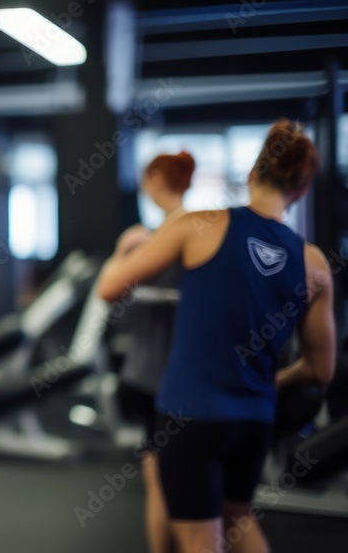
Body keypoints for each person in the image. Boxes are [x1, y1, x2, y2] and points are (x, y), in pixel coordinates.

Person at [97, 120, 336, 553]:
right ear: (301, 190)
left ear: (252, 173)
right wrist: (273, 381)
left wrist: (122, 251)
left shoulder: (198, 225)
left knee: (199, 541)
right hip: (254, 421)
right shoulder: (314, 261)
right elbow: (322, 368)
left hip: (190, 418)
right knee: (239, 522)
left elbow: (109, 289)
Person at [114, 151, 194, 553]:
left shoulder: (144, 240)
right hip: (185, 380)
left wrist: (120, 253)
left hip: (151, 378)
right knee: (182, 481)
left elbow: (111, 301)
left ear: (153, 182)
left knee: (161, 481)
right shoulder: (202, 236)